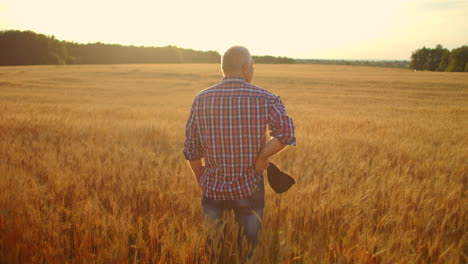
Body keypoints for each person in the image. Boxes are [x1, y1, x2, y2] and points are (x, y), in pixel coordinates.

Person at [183, 46, 296, 250]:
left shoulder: (201, 99)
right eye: (252, 65)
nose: (253, 69)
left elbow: (191, 147)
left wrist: (201, 178)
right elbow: (286, 133)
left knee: (215, 250)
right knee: (248, 250)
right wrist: (262, 156)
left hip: (213, 189)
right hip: (249, 189)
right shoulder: (265, 98)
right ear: (245, 67)